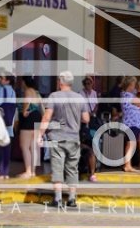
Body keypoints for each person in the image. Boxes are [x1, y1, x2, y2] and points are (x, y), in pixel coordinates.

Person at [40, 71, 90, 210]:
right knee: (72, 168)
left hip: (57, 137)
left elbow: (47, 117)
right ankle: (72, 199)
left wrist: (40, 134)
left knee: (57, 167)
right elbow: (86, 119)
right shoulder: (79, 98)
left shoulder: (54, 96)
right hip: (74, 138)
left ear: (60, 82)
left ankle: (58, 199)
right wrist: (74, 120)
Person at [15, 79, 43, 181]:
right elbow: (42, 107)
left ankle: (28, 171)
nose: (21, 83)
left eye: (22, 81)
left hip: (28, 119)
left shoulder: (27, 91)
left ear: (25, 82)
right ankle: (33, 171)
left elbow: (27, 100)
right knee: (33, 147)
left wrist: (24, 110)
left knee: (25, 146)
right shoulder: (37, 93)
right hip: (37, 118)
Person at [118, 77, 140, 171]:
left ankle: (128, 164)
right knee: (131, 143)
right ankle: (127, 165)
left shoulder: (125, 95)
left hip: (131, 122)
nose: (135, 87)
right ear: (130, 85)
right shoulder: (129, 95)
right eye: (134, 85)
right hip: (132, 123)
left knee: (131, 143)